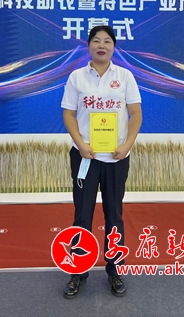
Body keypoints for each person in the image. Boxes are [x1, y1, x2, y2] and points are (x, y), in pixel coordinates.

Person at [61, 25, 142, 299]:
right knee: (82, 215)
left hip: (117, 158)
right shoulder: (76, 77)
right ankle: (78, 271)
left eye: (107, 41)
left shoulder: (125, 76)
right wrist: (81, 144)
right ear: (88, 46)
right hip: (86, 157)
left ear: (114, 47)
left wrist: (127, 145)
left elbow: (136, 114)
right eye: (96, 40)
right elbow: (69, 114)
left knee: (114, 215)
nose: (102, 45)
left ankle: (115, 270)